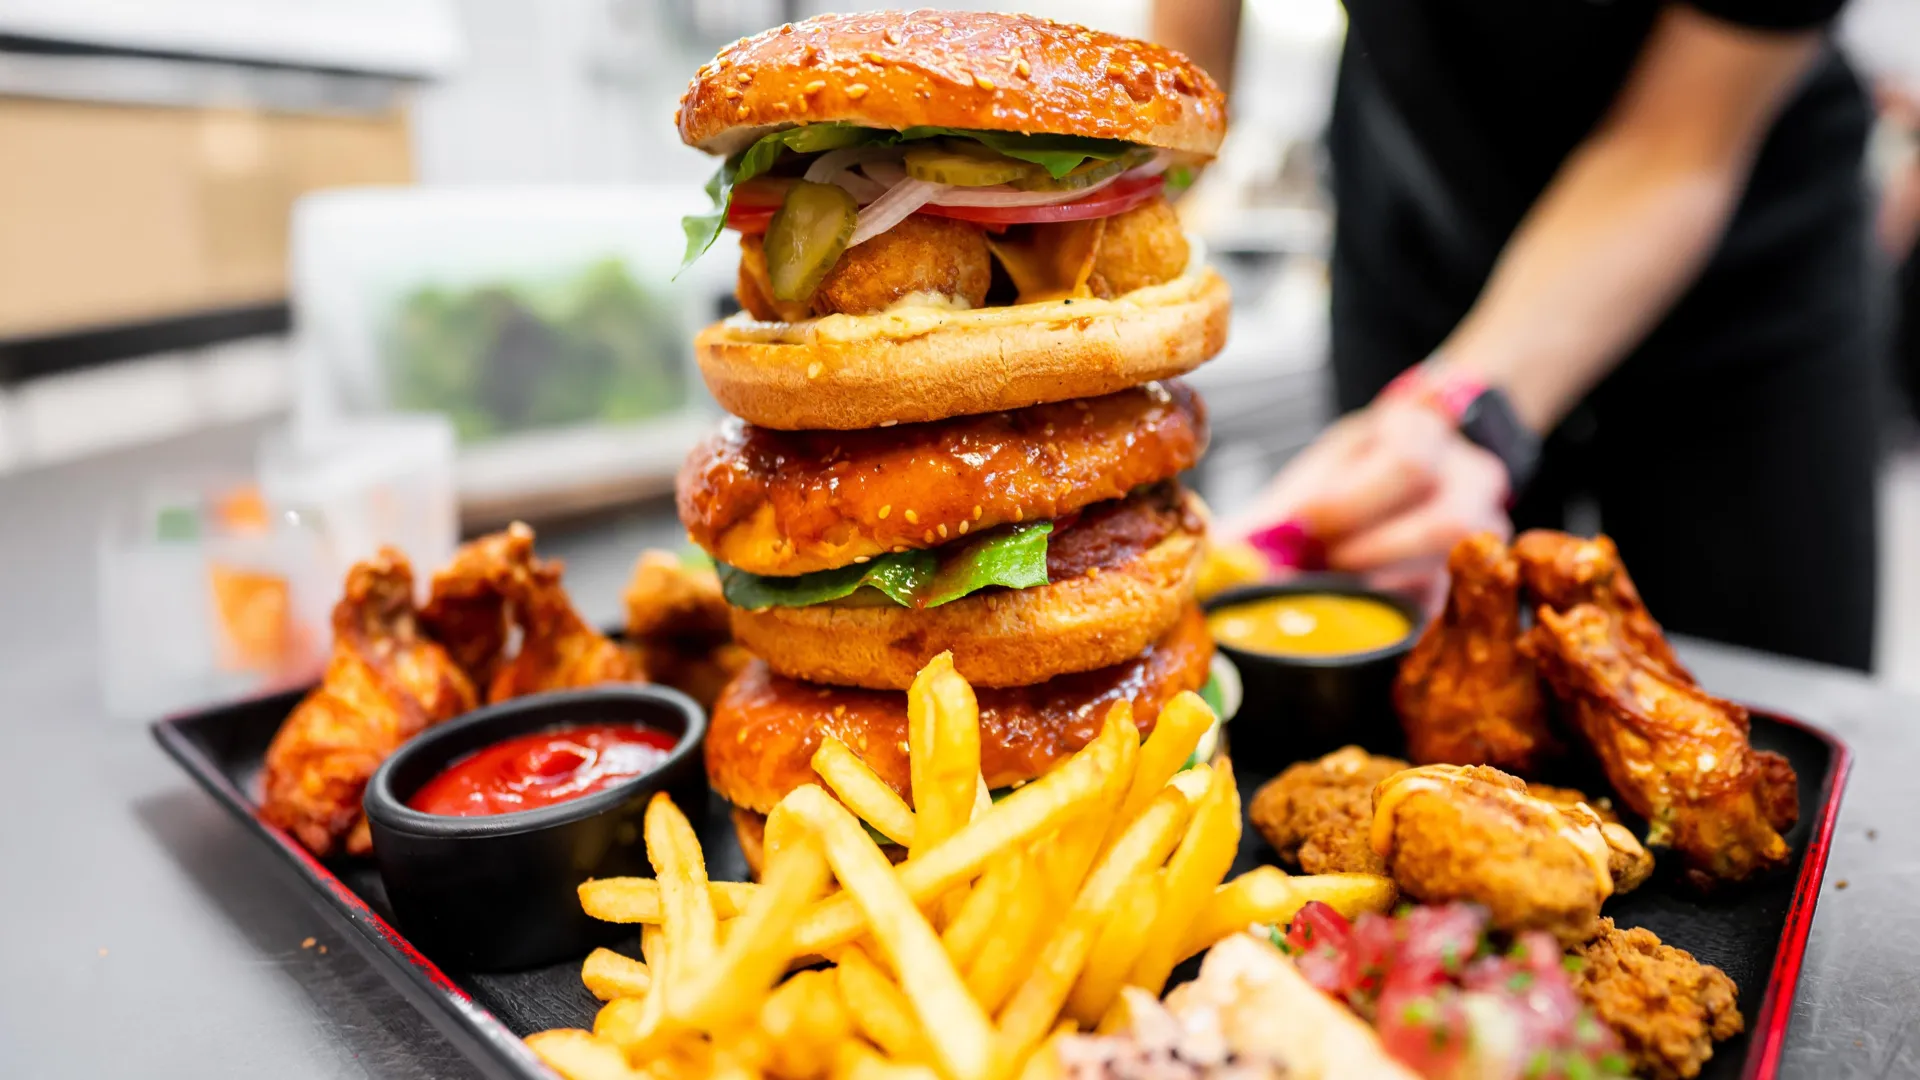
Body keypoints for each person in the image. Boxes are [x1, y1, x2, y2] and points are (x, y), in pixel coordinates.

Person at [1156, 0, 1881, 670]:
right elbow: (1188, 73)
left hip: (1740, 278)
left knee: (1741, 700)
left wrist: (1456, 414)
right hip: (1414, 222)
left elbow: (1676, 146)